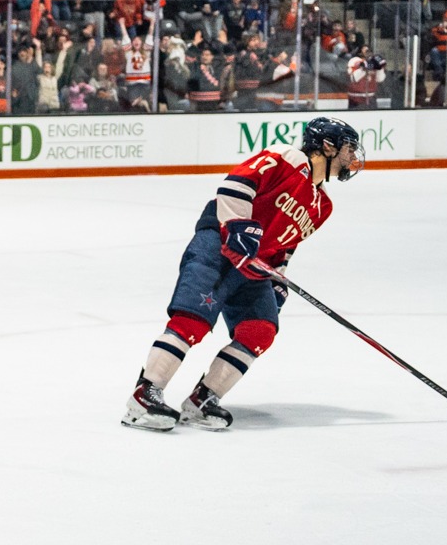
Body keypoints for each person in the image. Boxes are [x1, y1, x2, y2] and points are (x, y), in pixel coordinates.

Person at [123, 117, 363, 432]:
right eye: (348, 149)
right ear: (327, 147)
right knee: (192, 319)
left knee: (260, 330)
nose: (353, 158)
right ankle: (144, 396)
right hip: (220, 245)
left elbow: (286, 245)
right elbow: (236, 183)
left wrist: (279, 277)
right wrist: (238, 227)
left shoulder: (323, 206)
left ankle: (202, 400)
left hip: (255, 266)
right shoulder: (289, 159)